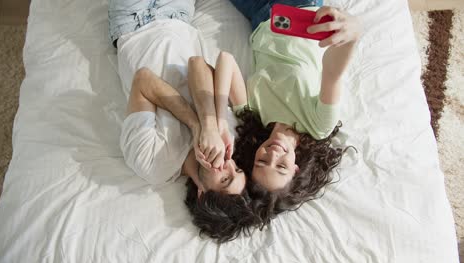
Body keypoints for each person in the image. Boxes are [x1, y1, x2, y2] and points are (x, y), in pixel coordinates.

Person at [108, 0, 260, 242]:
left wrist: (195, 125)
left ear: (202, 193)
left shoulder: (153, 162)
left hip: (133, 20)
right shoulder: (226, 137)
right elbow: (197, 65)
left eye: (225, 178)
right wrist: (210, 125)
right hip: (178, 14)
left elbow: (143, 80)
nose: (229, 164)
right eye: (238, 169)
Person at [200, 0, 362, 225]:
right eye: (281, 166)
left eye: (261, 162)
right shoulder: (318, 125)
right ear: (296, 169)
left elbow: (225, 60)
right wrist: (352, 35)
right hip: (300, 9)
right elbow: (332, 74)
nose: (272, 154)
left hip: (259, 17)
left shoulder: (255, 117)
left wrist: (219, 125)